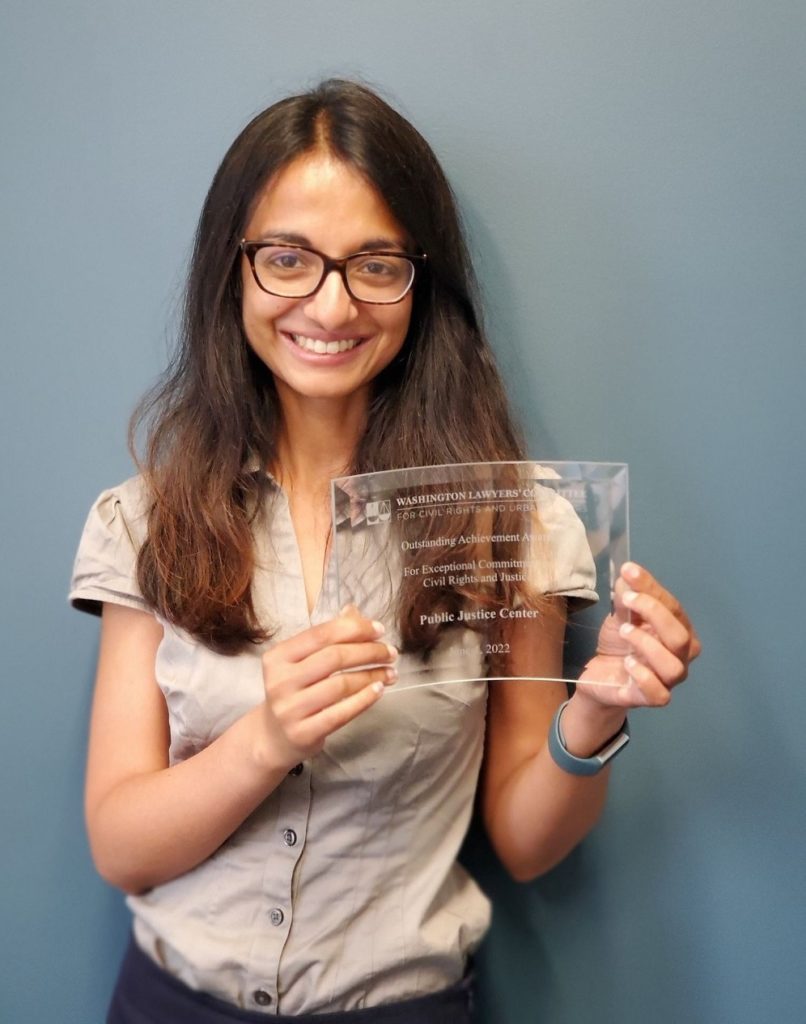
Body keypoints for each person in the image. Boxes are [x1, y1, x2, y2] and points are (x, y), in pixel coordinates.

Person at [70, 79, 700, 1023]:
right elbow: (120, 843)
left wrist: (593, 718)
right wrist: (265, 741)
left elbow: (524, 843)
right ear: (233, 270)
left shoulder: (511, 523)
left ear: (421, 279)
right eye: (288, 259)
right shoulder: (146, 519)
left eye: (375, 264)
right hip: (167, 1003)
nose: (330, 307)